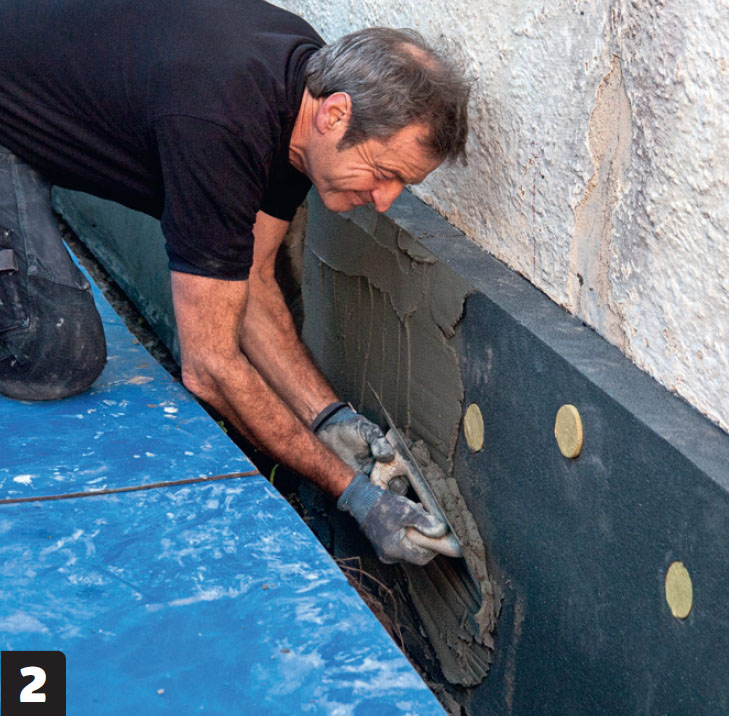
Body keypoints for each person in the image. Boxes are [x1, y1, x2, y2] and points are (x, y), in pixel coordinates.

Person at [0, 0, 469, 565]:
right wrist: (355, 495)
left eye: (402, 185)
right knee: (53, 351)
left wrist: (329, 418)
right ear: (336, 115)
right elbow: (209, 367)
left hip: (26, 114)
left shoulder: (298, 94)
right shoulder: (222, 119)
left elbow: (251, 278)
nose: (386, 199)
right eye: (384, 173)